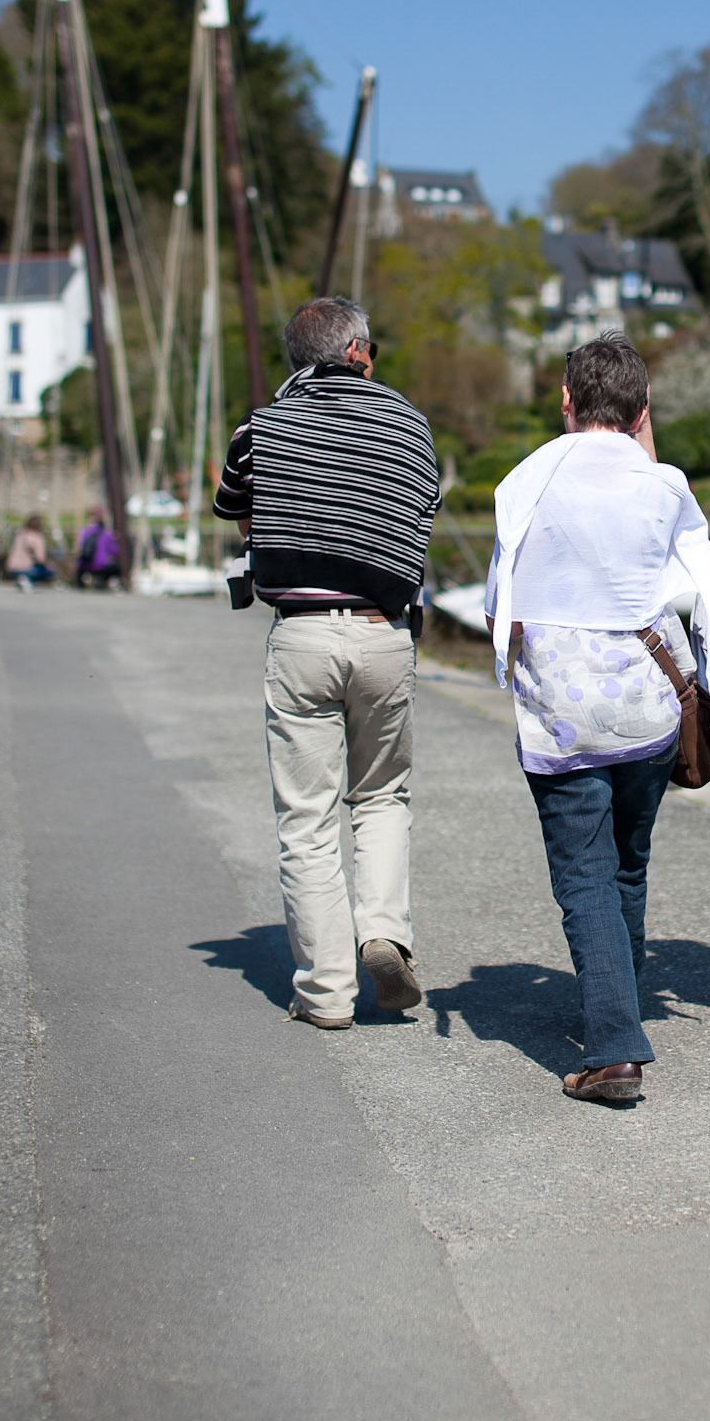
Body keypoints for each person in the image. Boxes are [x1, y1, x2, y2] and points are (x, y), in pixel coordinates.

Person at [487, 334, 710, 1104]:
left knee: (584, 874)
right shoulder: (665, 485)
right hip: (647, 706)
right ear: (643, 412)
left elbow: (498, 596)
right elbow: (706, 588)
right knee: (626, 862)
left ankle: (612, 1047)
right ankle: (621, 1001)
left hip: (561, 711)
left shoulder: (525, 483)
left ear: (564, 402)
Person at [214, 296, 440, 1032]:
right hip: (383, 633)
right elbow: (418, 515)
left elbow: (239, 512)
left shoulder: (261, 426)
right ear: (359, 353)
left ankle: (324, 993)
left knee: (307, 821)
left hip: (303, 634)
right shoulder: (408, 422)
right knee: (380, 797)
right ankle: (382, 931)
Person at [6, 515, 55, 590]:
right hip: (28, 569)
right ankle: (27, 580)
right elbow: (41, 559)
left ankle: (22, 579)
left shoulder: (20, 535)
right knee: (49, 571)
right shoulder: (38, 538)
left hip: (11, 568)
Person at [76, 512, 122, 589]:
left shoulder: (85, 532)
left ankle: (81, 586)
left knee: (80, 567)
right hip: (102, 566)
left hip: (84, 564)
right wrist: (115, 540)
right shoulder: (107, 534)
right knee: (117, 569)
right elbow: (115, 551)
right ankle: (103, 583)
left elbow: (80, 547)